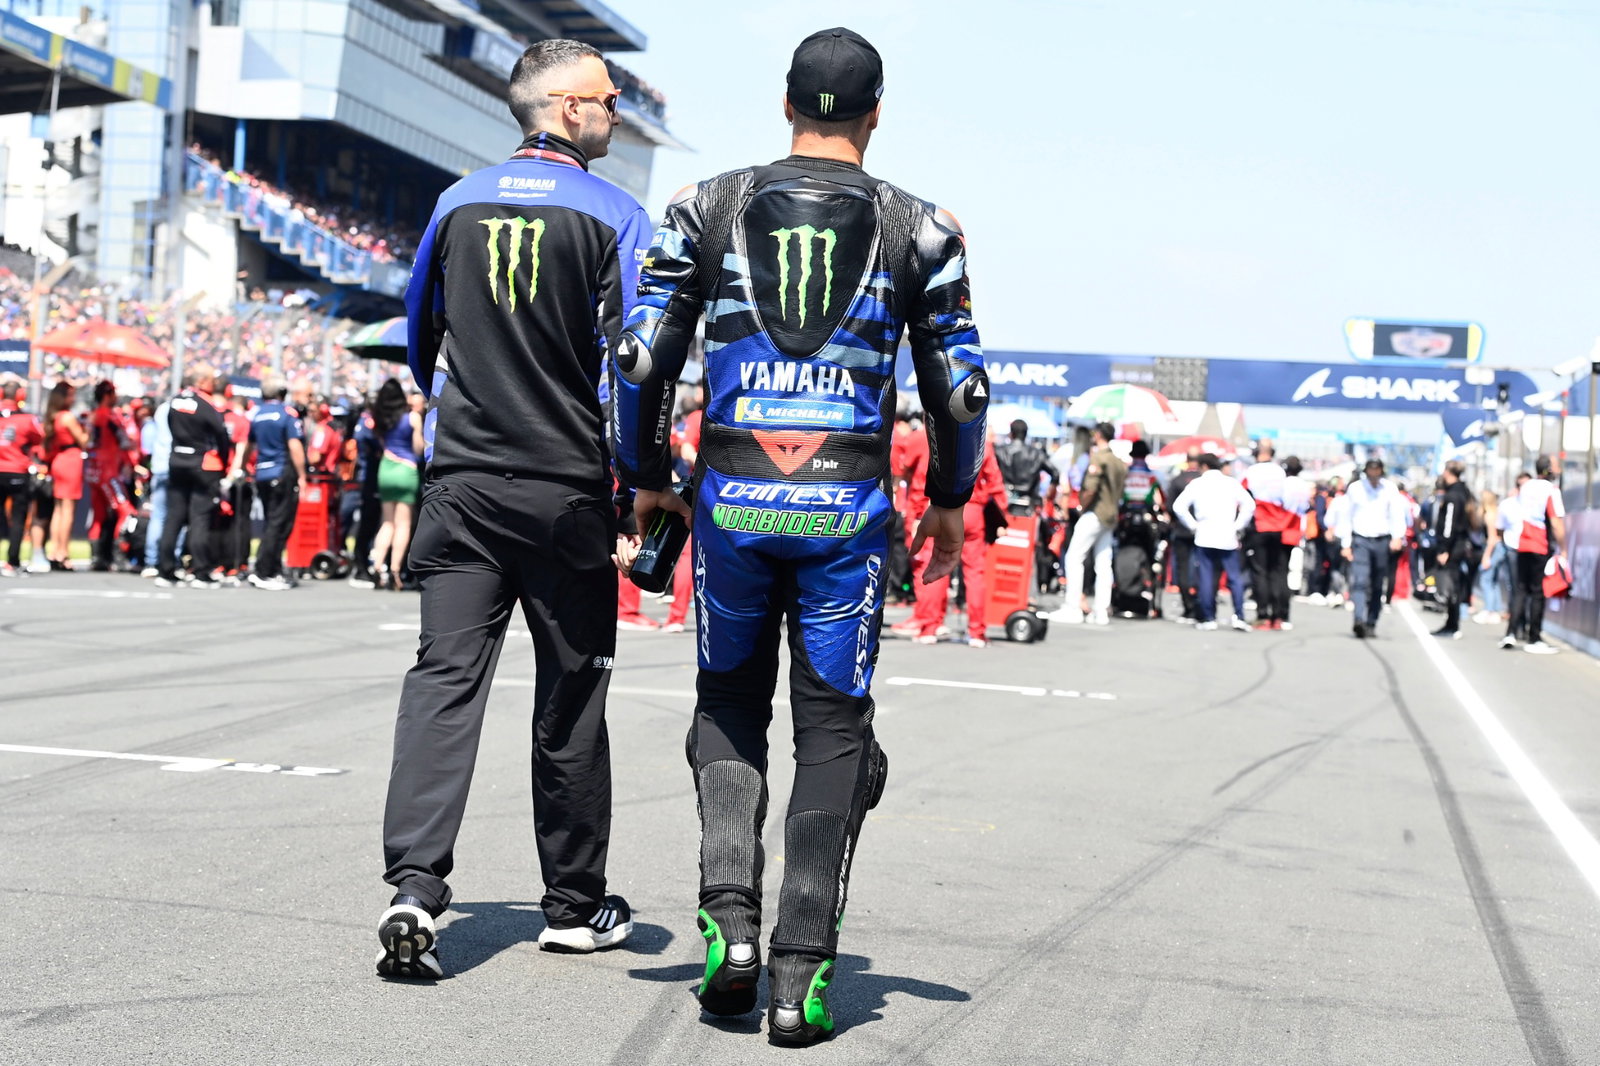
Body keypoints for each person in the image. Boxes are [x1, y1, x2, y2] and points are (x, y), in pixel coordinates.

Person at [612, 26, 987, 1044]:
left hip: (732, 499)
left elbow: (640, 358)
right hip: (846, 512)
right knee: (833, 729)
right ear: (875, 114)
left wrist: (645, 480)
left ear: (786, 104)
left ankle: (728, 927)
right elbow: (961, 385)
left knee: (728, 702)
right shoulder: (924, 227)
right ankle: (797, 976)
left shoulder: (704, 204)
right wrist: (951, 494)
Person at [378, 38, 649, 979]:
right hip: (563, 490)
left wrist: (465, 409)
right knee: (570, 697)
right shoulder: (616, 213)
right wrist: (634, 486)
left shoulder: (457, 200)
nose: (618, 111)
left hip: (462, 484)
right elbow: (633, 370)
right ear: (569, 107)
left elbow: (419, 337)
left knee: (442, 682)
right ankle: (574, 906)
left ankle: (414, 884)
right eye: (610, 99)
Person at [912, 437, 1005, 645]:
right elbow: (995, 482)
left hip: (939, 509)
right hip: (972, 510)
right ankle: (977, 632)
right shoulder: (983, 443)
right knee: (975, 573)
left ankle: (929, 628)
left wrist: (916, 515)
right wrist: (1002, 517)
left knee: (935, 566)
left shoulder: (936, 439)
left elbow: (920, 479)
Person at [155, 366, 234, 589]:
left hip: (177, 461)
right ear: (201, 381)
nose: (213, 383)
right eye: (210, 379)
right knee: (200, 517)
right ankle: (201, 572)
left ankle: (166, 570)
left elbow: (170, 426)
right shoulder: (205, 404)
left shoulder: (175, 401)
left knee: (174, 517)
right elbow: (221, 433)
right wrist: (224, 461)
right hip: (201, 464)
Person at [1050, 422, 1124, 625]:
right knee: (1103, 562)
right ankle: (1101, 611)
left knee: (1074, 557)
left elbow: (1090, 488)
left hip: (1095, 513)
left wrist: (1083, 505)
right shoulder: (1118, 461)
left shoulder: (1099, 458)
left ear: (1098, 435)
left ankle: (1072, 607)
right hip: (1110, 515)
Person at [1171, 453, 1254, 631]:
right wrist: (1238, 525)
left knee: (1206, 577)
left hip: (1205, 534)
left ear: (1203, 466)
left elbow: (1178, 506)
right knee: (1234, 578)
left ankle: (1209, 617)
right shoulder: (1231, 482)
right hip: (1227, 535)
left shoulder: (1198, 483)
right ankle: (1239, 616)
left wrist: (1193, 525)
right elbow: (1249, 505)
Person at [247, 375, 307, 591]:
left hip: (262, 473)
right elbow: (295, 446)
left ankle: (273, 568)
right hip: (282, 473)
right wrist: (302, 475)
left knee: (272, 522)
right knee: (279, 524)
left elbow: (248, 445)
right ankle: (265, 571)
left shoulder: (257, 414)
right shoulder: (287, 414)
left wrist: (243, 465)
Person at [1500, 456, 1566, 654]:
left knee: (1520, 589)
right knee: (1537, 592)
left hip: (1523, 542)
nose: (1559, 470)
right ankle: (1534, 637)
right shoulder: (1551, 490)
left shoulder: (1527, 487)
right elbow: (1556, 522)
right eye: (1555, 467)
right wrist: (1564, 549)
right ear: (1548, 470)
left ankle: (1510, 633)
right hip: (1540, 544)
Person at [1338, 459, 1408, 639]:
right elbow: (1346, 515)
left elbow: (1397, 514)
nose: (1374, 473)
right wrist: (1345, 543)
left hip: (1382, 540)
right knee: (1360, 581)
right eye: (1371, 469)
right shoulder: (1356, 489)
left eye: (1377, 470)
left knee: (1377, 583)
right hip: (1360, 539)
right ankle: (1359, 618)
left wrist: (1397, 536)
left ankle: (1371, 621)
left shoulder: (1389, 489)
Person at [367, 380, 424, 591]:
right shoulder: (412, 418)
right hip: (405, 469)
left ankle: (376, 565)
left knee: (387, 522)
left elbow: (381, 443)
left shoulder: (380, 419)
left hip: (386, 468)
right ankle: (394, 570)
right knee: (403, 524)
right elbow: (418, 449)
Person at [1241, 440, 1293, 629]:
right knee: (1278, 572)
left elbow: (1243, 496)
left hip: (1260, 526)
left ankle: (1263, 615)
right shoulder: (1280, 472)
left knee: (1260, 572)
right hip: (1278, 527)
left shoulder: (1251, 472)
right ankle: (1278, 616)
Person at [85, 381, 138, 571]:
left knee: (99, 515)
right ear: (107, 395)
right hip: (108, 471)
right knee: (126, 511)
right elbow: (126, 442)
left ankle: (97, 557)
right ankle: (120, 556)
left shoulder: (91, 416)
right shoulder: (109, 416)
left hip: (93, 470)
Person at [40, 381, 88, 570]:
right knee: (67, 510)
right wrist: (87, 427)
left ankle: (55, 550)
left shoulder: (53, 417)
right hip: (70, 461)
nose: (74, 399)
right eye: (70, 395)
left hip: (59, 462)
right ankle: (63, 552)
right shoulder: (67, 417)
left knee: (59, 510)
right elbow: (83, 441)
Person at [0, 377, 43, 577]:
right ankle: (12, 562)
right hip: (17, 472)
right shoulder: (26, 419)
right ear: (20, 396)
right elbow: (40, 438)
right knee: (17, 519)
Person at [1428, 460, 1474, 638]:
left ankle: (1453, 625)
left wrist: (1444, 548)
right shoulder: (1464, 492)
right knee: (1453, 584)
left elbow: (1449, 524)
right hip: (1459, 544)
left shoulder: (1454, 496)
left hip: (1454, 546)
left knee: (1450, 585)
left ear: (1448, 472)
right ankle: (1451, 623)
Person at [1164, 449, 1204, 622]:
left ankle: (1188, 605)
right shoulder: (1205, 481)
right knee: (1202, 568)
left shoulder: (1177, 481)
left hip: (1182, 530)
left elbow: (1170, 506)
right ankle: (1200, 605)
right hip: (1202, 531)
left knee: (1182, 568)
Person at [995, 418, 1058, 516]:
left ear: (1011, 433)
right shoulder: (1037, 454)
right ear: (1026, 434)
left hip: (1003, 501)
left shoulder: (999, 452)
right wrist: (1049, 494)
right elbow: (1055, 473)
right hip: (1029, 505)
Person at [140, 393, 173, 578]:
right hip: (173, 466)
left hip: (160, 467)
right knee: (173, 516)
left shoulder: (160, 413)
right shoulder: (173, 410)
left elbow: (149, 449)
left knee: (158, 516)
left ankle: (151, 561)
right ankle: (169, 560)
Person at [1473, 489, 1507, 624]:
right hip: (1499, 548)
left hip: (1494, 548)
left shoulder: (1489, 515)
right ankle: (1495, 611)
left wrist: (1486, 556)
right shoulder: (1496, 512)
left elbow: (1492, 538)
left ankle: (1489, 610)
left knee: (1486, 578)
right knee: (1493, 580)